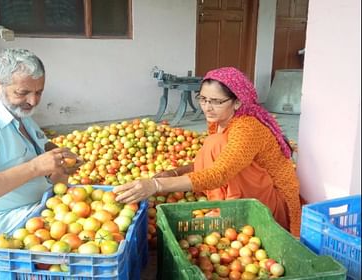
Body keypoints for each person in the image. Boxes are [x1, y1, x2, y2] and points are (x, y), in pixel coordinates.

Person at [114, 67, 302, 236]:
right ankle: (223, 204)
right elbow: (219, 162)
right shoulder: (219, 120)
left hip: (270, 206)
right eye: (203, 99)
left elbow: (220, 173)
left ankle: (226, 211)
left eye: (216, 101)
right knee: (215, 143)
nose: (207, 107)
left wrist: (156, 185)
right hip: (250, 192)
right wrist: (174, 173)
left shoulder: (247, 128)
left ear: (237, 103)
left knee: (215, 143)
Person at [0, 48, 82, 246]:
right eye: (23, 93)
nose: (33, 101)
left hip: (35, 206)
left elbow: (40, 144)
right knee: (84, 233)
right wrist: (35, 167)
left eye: (39, 92)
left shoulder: (13, 109)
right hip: (2, 223)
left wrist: (61, 156)